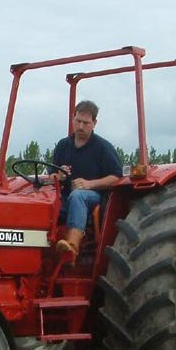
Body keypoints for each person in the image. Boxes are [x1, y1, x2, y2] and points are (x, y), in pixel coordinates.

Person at [51, 100, 122, 256]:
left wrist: (90, 184)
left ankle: (72, 247)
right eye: (78, 121)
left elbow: (117, 177)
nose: (81, 126)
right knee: (46, 203)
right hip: (65, 196)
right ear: (73, 119)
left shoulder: (102, 147)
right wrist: (58, 175)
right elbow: (51, 174)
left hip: (95, 197)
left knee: (78, 195)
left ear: (94, 123)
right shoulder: (63, 145)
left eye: (86, 123)